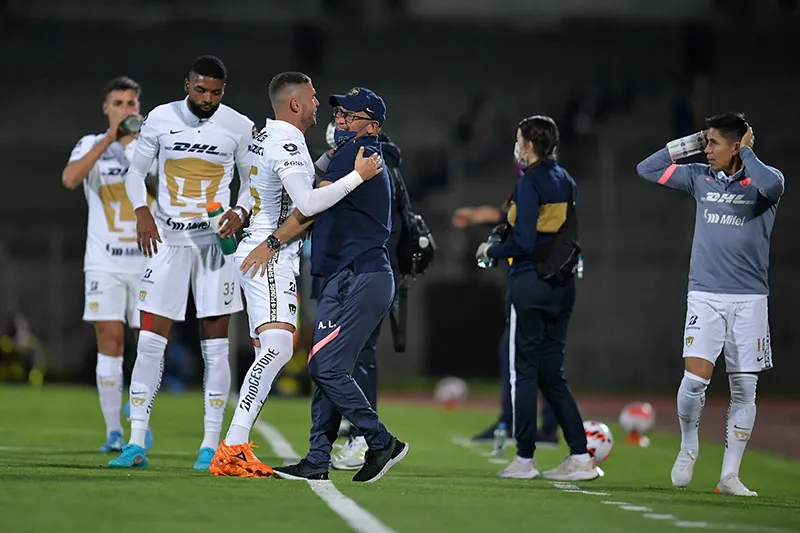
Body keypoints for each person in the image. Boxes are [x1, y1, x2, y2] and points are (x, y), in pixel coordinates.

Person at [209, 71, 383, 477]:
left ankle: (235, 445)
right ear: (294, 104)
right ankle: (233, 446)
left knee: (268, 350)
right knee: (279, 349)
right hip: (270, 254)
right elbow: (305, 202)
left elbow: (266, 188)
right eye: (313, 96)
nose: (319, 103)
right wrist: (358, 176)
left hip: (259, 249)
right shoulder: (286, 140)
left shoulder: (264, 136)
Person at [109, 55, 255, 470]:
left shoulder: (238, 126)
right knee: (151, 344)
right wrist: (140, 211)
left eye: (216, 92)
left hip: (214, 246)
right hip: (168, 243)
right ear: (186, 84)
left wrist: (240, 213)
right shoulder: (159, 118)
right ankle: (136, 441)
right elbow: (136, 173)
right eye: (201, 90)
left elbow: (251, 183)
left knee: (216, 348)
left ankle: (210, 446)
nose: (208, 99)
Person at [255, 87, 409, 482]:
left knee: (326, 367)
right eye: (339, 112)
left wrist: (271, 243)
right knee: (325, 368)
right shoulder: (349, 155)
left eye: (349, 115)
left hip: (360, 275)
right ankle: (318, 459)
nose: (339, 119)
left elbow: (309, 201)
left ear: (371, 125)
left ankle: (380, 441)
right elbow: (317, 182)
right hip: (342, 276)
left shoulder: (362, 155)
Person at [636, 112, 783, 496]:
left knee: (744, 391)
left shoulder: (765, 179)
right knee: (694, 381)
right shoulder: (699, 176)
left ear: (738, 145)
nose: (707, 149)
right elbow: (647, 168)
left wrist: (747, 153)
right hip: (706, 294)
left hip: (750, 299)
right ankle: (689, 444)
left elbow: (772, 185)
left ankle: (729, 475)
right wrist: (693, 141)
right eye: (706, 142)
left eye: (714, 143)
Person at [475, 115, 597, 481]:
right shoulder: (566, 179)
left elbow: (524, 242)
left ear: (528, 144)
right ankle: (579, 455)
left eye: (518, 139)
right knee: (551, 373)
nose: (516, 145)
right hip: (561, 286)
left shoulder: (530, 182)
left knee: (522, 373)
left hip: (529, 283)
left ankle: (525, 457)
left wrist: (490, 250)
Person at [61, 76, 154, 453]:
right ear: (106, 108)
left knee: (147, 345)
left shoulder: (152, 147)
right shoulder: (90, 144)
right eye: (118, 103)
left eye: (131, 103)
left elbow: (164, 194)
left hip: (146, 261)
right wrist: (109, 140)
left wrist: (141, 148)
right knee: (110, 342)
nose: (125, 109)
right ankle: (114, 430)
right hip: (104, 262)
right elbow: (69, 178)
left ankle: (140, 421)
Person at [329, 128, 407, 470]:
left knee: (355, 357)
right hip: (369, 271)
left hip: (364, 272)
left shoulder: (373, 166)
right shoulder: (383, 165)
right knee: (351, 357)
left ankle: (364, 437)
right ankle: (355, 432)